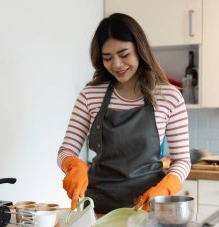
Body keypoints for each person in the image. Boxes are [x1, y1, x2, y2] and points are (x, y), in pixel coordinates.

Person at [57, 13, 191, 214]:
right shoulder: (90, 96)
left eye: (124, 54)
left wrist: (165, 187)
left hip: (146, 208)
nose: (117, 64)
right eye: (107, 58)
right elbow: (65, 151)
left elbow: (182, 161)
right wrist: (74, 166)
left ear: (139, 49)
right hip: (96, 210)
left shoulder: (168, 96)